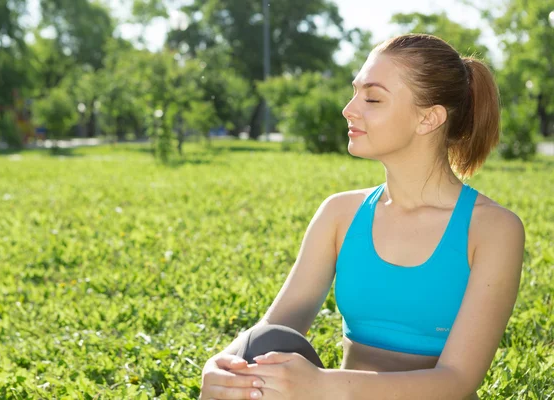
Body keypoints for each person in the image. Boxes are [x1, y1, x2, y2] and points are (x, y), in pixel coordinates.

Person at [199, 33, 525, 400]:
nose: (349, 109)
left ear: (428, 118)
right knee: (262, 345)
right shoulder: (340, 213)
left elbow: (457, 380)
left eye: (372, 98)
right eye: (355, 93)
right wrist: (224, 365)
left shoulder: (493, 229)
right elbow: (278, 324)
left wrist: (323, 385)